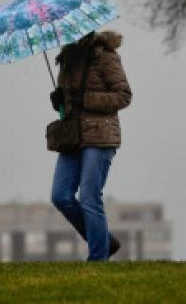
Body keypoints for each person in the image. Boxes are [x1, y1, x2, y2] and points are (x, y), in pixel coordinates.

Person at [49, 30, 132, 261]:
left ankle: (98, 258)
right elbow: (69, 103)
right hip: (72, 137)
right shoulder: (66, 58)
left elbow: (123, 96)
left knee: (89, 197)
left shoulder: (105, 56)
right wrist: (60, 101)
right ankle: (104, 240)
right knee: (60, 196)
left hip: (100, 136)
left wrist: (84, 99)